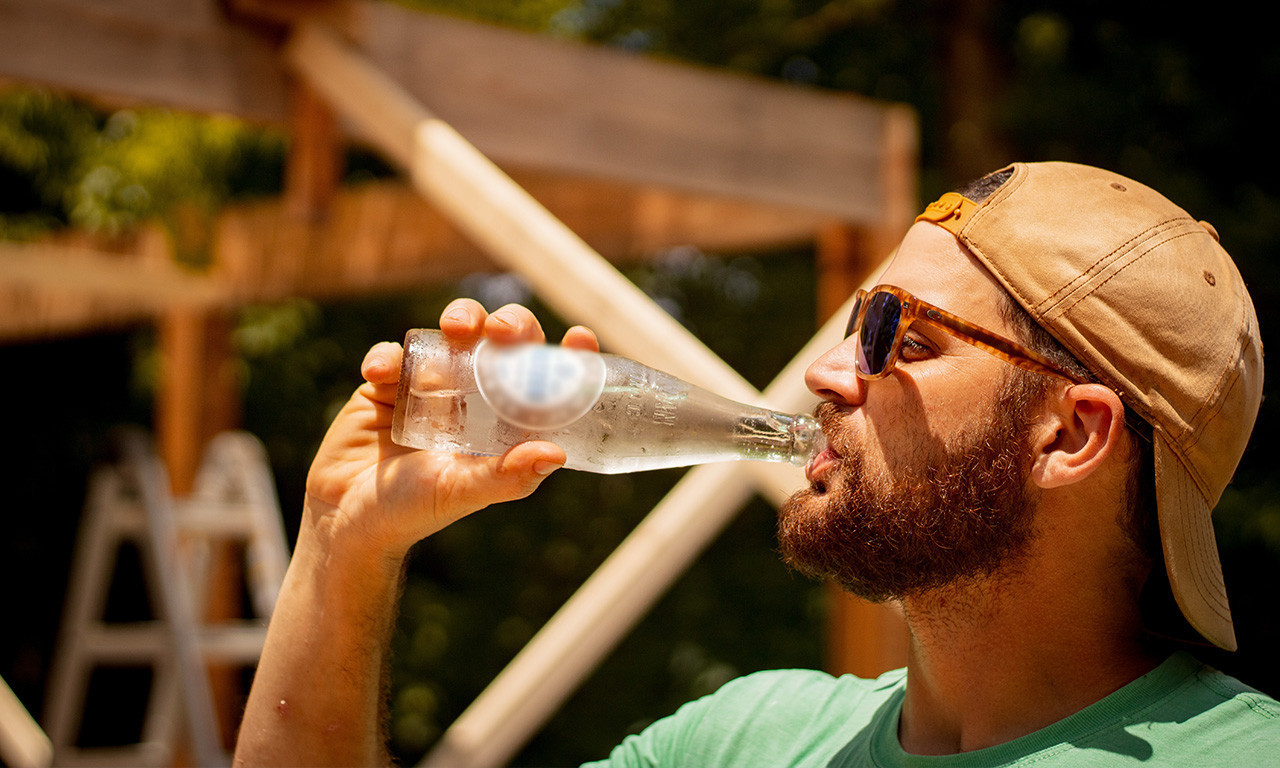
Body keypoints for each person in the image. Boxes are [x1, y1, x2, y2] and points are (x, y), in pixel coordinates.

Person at [232, 162, 1278, 767]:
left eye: (898, 339)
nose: (826, 373)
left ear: (1070, 435)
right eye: (850, 322)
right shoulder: (744, 743)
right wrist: (343, 545)